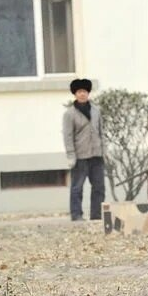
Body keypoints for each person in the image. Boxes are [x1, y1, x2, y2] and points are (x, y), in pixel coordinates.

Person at [63, 78, 105, 221]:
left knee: (99, 187)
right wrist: (70, 155)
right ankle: (76, 215)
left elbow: (101, 132)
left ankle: (97, 215)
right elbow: (68, 136)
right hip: (80, 157)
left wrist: (104, 151)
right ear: (75, 94)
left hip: (96, 155)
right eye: (79, 92)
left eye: (85, 92)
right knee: (77, 188)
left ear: (88, 93)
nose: (82, 94)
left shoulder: (96, 111)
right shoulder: (70, 114)